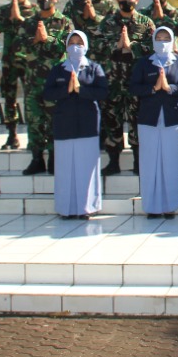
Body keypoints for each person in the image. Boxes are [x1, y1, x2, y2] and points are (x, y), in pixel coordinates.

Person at [130, 26, 178, 218]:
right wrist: (153, 88)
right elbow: (134, 87)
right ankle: (151, 207)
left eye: (166, 38)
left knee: (171, 163)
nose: (162, 41)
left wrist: (170, 88)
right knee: (150, 164)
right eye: (158, 38)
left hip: (172, 120)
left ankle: (170, 206)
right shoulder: (144, 63)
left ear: (173, 40)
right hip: (148, 120)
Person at [43, 31, 109, 218]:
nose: (75, 45)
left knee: (86, 167)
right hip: (64, 122)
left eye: (79, 42)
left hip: (87, 123)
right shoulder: (58, 69)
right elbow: (48, 93)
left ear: (86, 45)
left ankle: (87, 207)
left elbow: (102, 92)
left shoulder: (94, 68)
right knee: (65, 167)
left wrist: (81, 90)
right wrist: (67, 89)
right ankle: (67, 209)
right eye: (71, 42)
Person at [95, 0, 155, 175]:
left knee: (138, 121)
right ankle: (114, 161)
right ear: (117, 0)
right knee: (112, 120)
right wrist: (116, 45)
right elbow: (97, 46)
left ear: (137, 0)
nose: (127, 1)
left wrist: (132, 47)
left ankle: (138, 162)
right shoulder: (108, 22)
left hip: (137, 82)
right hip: (113, 82)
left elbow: (154, 47)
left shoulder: (146, 22)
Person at [19, 0, 75, 175]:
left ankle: (54, 158)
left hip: (56, 82)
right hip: (33, 81)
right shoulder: (29, 23)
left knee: (54, 121)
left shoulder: (65, 22)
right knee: (34, 121)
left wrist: (47, 39)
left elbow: (68, 47)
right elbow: (18, 47)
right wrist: (34, 40)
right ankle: (36, 159)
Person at [0, 0, 36, 150]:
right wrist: (10, 20)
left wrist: (20, 20)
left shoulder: (34, 10)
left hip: (29, 62)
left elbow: (36, 30)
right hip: (9, 62)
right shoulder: (3, 10)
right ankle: (12, 136)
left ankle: (33, 137)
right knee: (9, 99)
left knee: (30, 99)